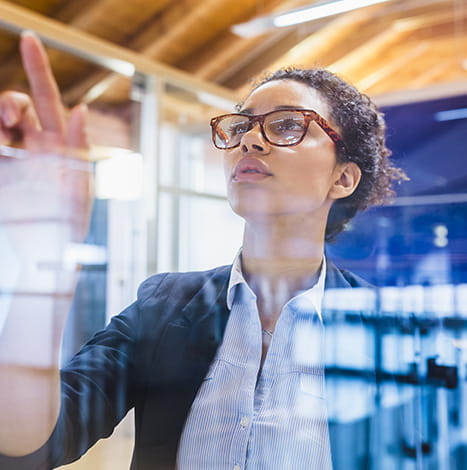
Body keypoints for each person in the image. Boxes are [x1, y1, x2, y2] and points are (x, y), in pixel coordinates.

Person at [0, 32, 406, 469]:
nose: (249, 140)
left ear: (343, 179)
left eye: (287, 124)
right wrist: (48, 257)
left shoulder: (385, 328)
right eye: (240, 126)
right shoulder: (163, 307)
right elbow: (27, 441)